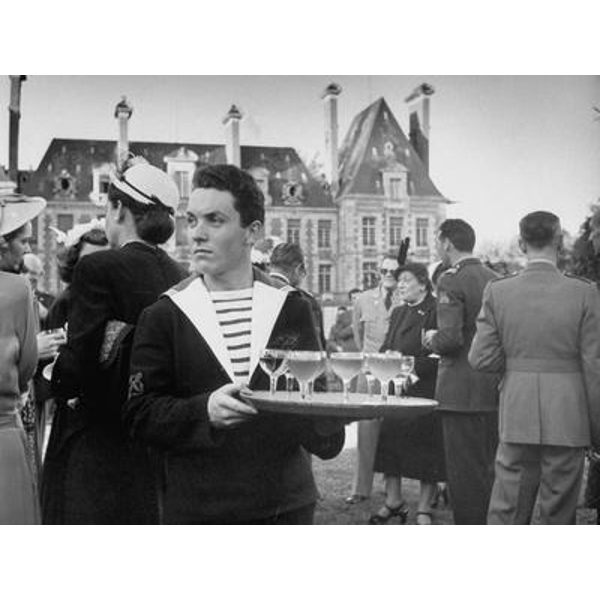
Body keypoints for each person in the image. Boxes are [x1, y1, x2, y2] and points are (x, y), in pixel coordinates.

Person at [123, 164, 345, 524]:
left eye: (214, 220)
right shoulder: (165, 313)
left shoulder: (291, 306)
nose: (197, 233)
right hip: (199, 509)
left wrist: (340, 410)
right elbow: (139, 414)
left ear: (252, 231)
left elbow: (314, 408)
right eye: (192, 220)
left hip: (284, 507)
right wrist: (203, 411)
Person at [42, 159, 187, 524]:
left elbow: (78, 366)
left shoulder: (98, 268)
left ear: (119, 209)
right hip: (155, 450)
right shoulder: (182, 276)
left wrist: (55, 374)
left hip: (98, 446)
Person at [469, 211, 600, 525]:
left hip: (518, 407)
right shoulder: (584, 292)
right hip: (568, 413)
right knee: (559, 513)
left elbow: (480, 357)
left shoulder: (499, 290)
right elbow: (594, 368)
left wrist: (518, 367)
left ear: (521, 243)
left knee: (507, 510)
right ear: (559, 241)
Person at [423, 219, 499, 525]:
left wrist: (431, 338)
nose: (437, 247)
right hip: (492, 388)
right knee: (489, 469)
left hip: (459, 392)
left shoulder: (450, 280)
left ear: (447, 243)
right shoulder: (495, 278)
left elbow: (450, 339)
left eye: (437, 241)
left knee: (464, 476)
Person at [369, 263, 446, 525]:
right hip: (397, 391)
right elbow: (386, 346)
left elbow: (439, 355)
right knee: (390, 444)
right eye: (399, 280)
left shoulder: (436, 309)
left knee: (427, 450)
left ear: (423, 284)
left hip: (425, 390)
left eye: (406, 280)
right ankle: (393, 501)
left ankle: (424, 508)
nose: (399, 285)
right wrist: (385, 358)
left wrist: (407, 368)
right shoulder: (399, 311)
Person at [0, 191, 46, 524]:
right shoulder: (17, 290)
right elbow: (27, 366)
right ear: (3, 242)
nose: (27, 249)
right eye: (23, 241)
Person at [346, 254, 401, 504]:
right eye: (384, 271)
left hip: (396, 372)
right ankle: (361, 489)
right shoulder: (363, 299)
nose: (388, 275)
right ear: (378, 273)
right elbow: (358, 333)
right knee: (366, 431)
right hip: (369, 370)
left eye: (394, 271)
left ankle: (391, 487)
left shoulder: (405, 299)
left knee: (394, 431)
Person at [269, 242, 327, 352]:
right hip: (293, 362)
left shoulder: (252, 291)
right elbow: (314, 351)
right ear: (298, 269)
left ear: (270, 266)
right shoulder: (304, 301)